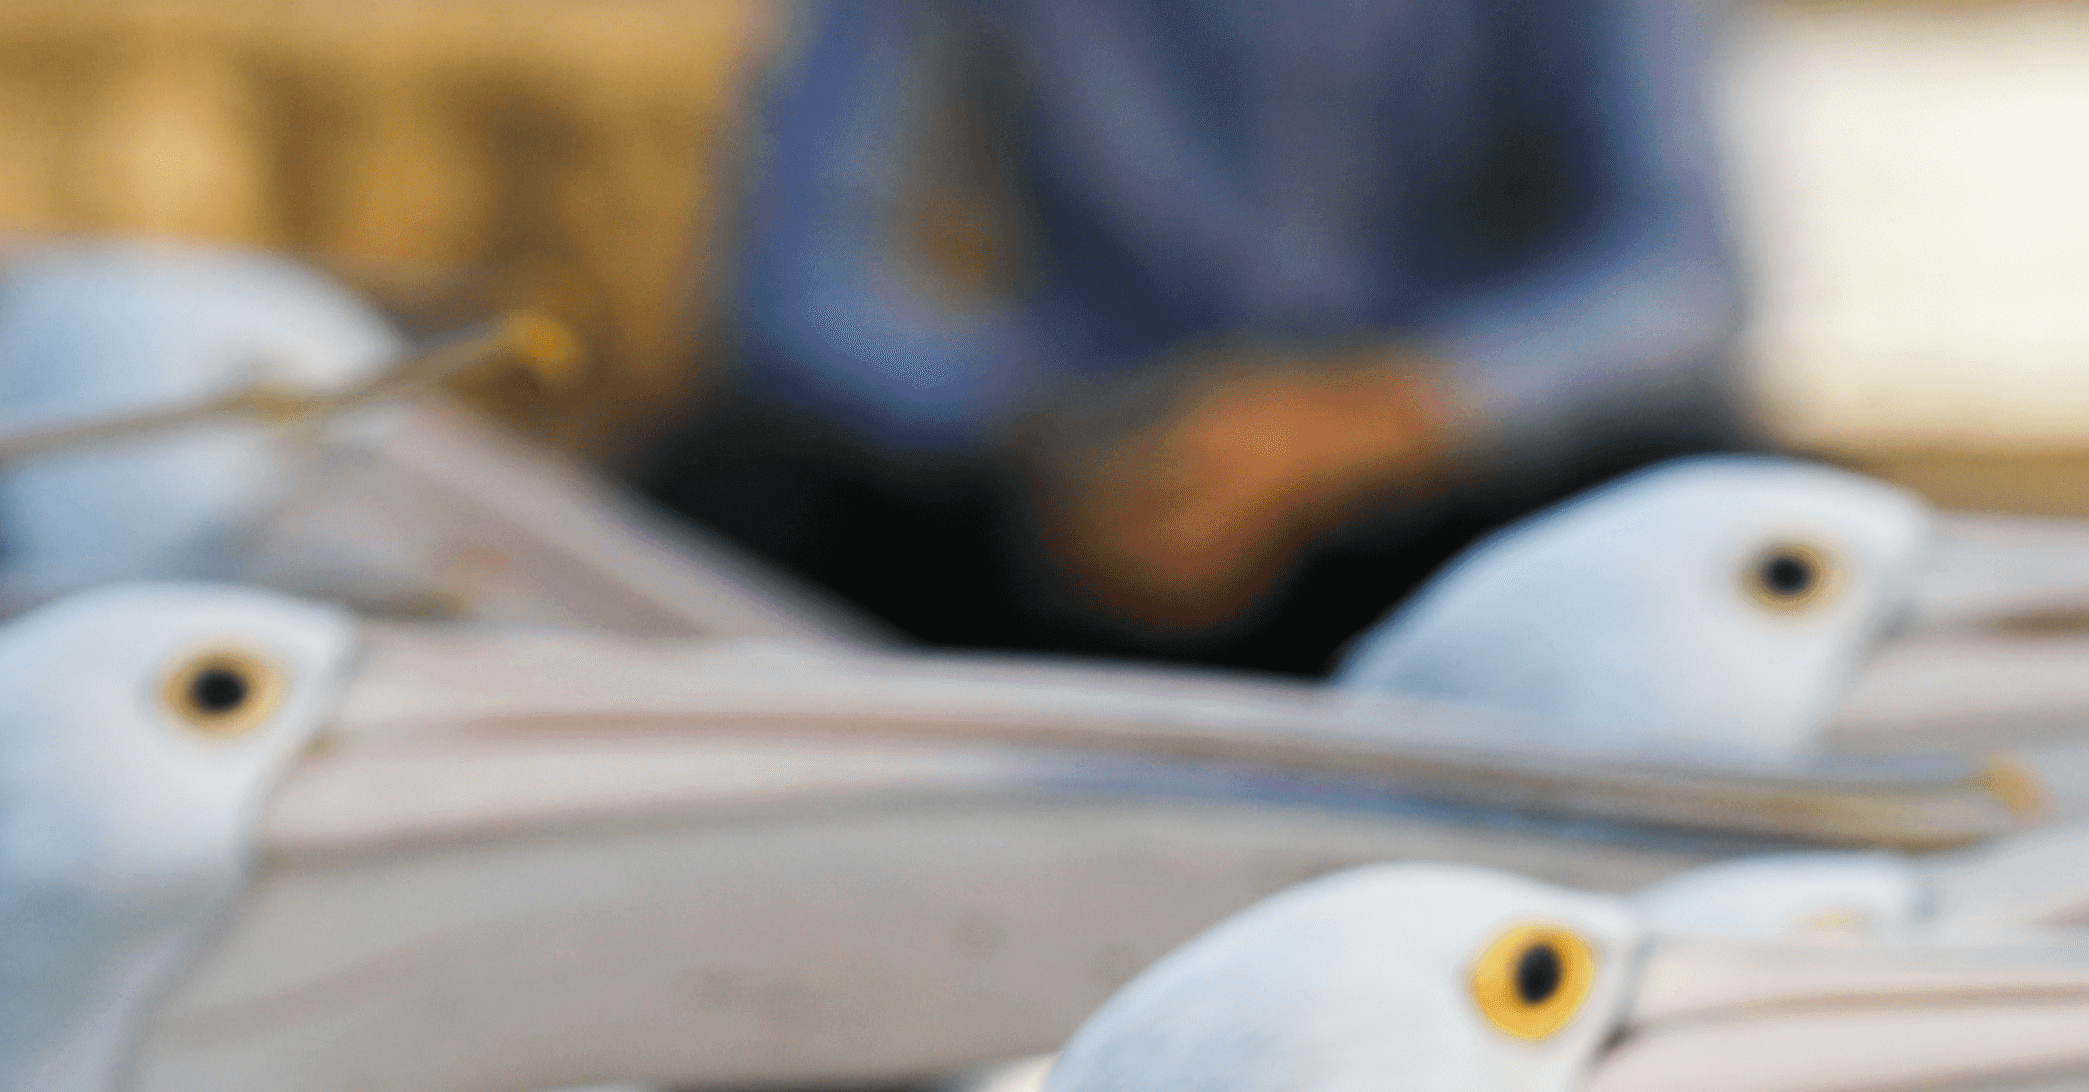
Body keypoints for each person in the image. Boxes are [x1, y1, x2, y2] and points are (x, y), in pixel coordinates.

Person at [649, 0, 1748, 672]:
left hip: (1438, 501)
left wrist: (1387, 416)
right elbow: (799, 286)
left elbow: (1677, 274)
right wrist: (1047, 429)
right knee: (723, 493)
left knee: (1726, 518)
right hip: (1082, 498)